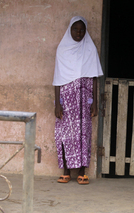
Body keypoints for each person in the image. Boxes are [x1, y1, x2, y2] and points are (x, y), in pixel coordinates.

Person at [53, 16, 103, 184]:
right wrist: (57, 103)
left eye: (82, 30)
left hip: (84, 99)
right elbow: (57, 77)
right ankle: (66, 171)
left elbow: (94, 77)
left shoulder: (90, 49)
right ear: (70, 30)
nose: (79, 33)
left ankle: (82, 172)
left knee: (83, 133)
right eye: (75, 29)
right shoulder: (62, 49)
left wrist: (95, 102)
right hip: (66, 100)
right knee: (65, 134)